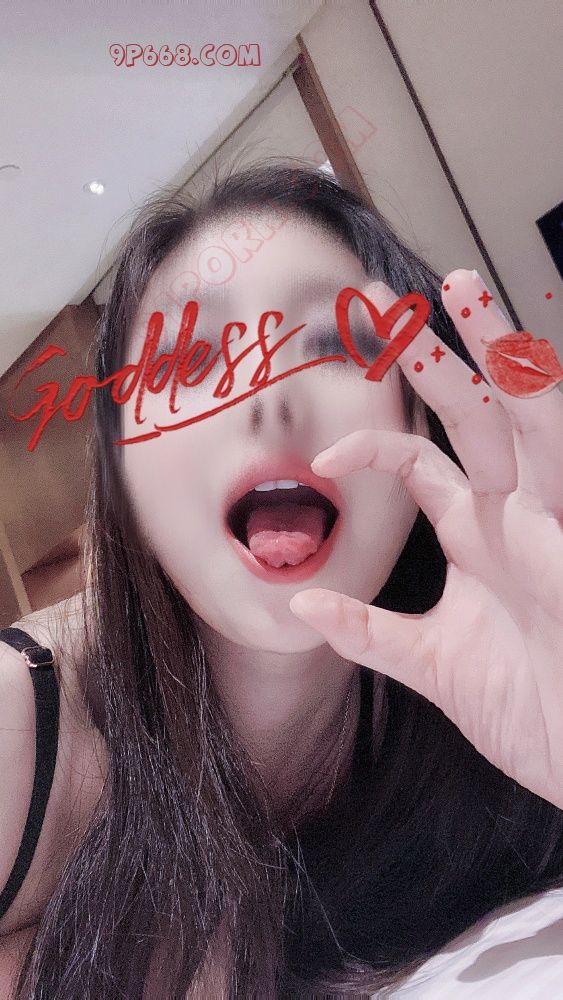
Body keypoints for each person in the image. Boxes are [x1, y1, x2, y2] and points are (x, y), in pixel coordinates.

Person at [0, 161, 562, 999]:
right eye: (189, 359)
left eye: (339, 344)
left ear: (423, 418)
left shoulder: (493, 681)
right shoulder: (20, 728)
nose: (265, 397)